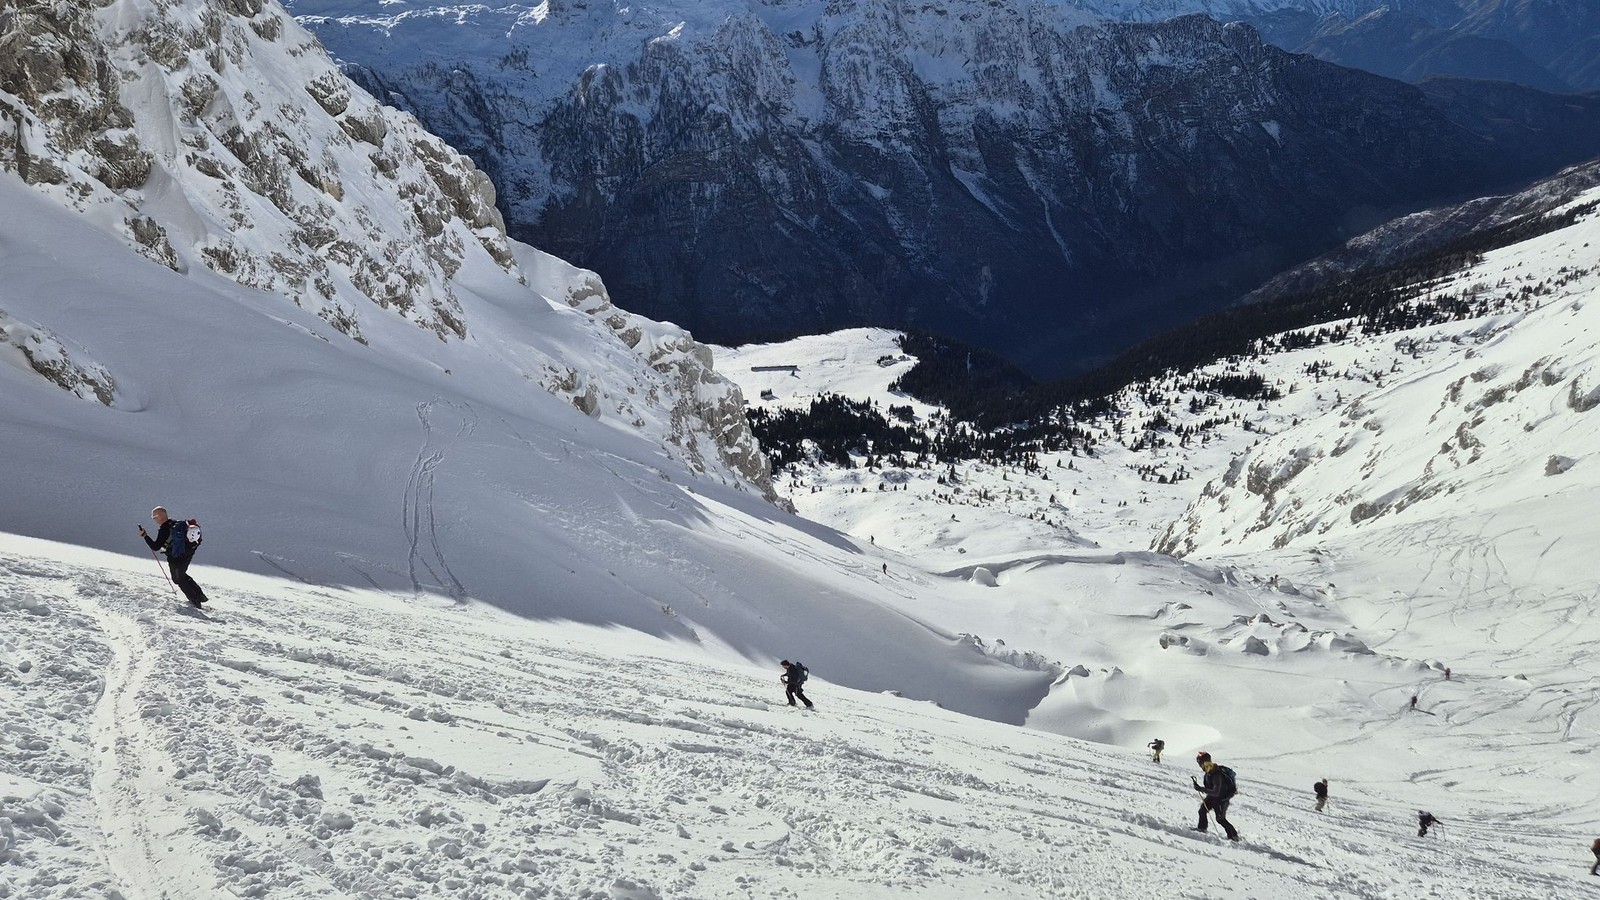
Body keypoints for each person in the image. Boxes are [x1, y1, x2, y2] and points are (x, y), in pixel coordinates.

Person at [140, 507, 209, 607]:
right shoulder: (175, 523)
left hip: (176, 558)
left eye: (154, 517)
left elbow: (155, 547)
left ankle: (195, 602)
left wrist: (145, 536)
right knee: (181, 575)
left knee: (178, 579)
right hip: (187, 553)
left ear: (160, 516)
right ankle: (200, 595)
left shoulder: (164, 529)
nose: (153, 519)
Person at [1192, 751, 1240, 841]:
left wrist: (1201, 789)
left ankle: (1233, 836)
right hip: (1213, 797)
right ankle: (1202, 828)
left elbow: (1216, 792)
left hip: (1222, 799)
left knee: (1220, 819)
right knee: (1202, 811)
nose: (1200, 766)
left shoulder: (1216, 774)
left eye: (1200, 763)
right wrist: (1201, 788)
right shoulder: (1209, 772)